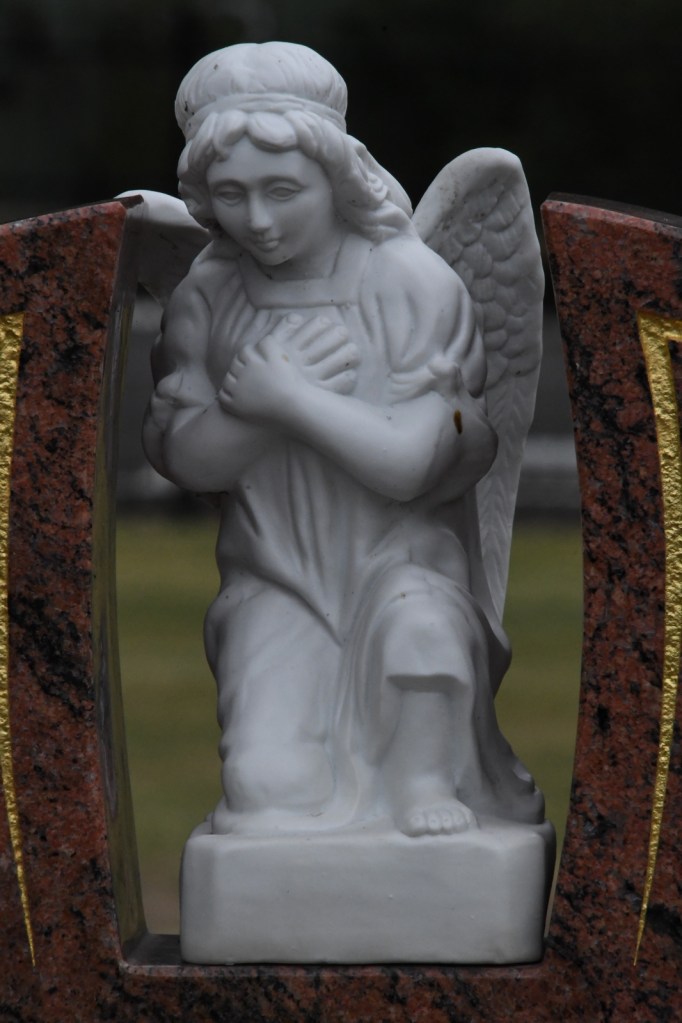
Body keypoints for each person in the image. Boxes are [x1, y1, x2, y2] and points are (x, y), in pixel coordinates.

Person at [144, 41, 544, 838]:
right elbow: (184, 458)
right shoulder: (208, 294)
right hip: (276, 576)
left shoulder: (408, 282)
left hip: (401, 565)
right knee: (263, 793)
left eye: (282, 190)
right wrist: (249, 414)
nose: (258, 220)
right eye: (231, 195)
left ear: (337, 176)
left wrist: (290, 400)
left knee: (421, 633)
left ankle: (423, 778)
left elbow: (410, 465)